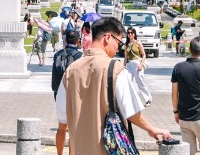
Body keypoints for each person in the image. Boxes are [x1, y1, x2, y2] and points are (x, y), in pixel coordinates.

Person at [55, 16, 172, 154]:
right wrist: (151, 129)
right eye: (118, 42)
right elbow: (131, 111)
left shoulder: (70, 71)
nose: (118, 49)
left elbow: (62, 118)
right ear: (107, 38)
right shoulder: (115, 69)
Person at [172, 36, 200, 155]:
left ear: (189, 49)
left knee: (189, 152)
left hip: (184, 117)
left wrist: (175, 112)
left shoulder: (178, 68)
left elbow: (174, 93)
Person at [52, 30, 83, 155]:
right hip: (73, 93)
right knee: (73, 130)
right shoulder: (80, 56)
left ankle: (59, 153)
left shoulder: (57, 54)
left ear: (65, 41)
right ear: (78, 41)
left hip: (59, 92)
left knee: (61, 126)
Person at [123, 27, 151, 105]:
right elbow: (125, 57)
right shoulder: (126, 45)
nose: (130, 34)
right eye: (128, 33)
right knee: (128, 82)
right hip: (129, 65)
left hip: (137, 64)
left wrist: (141, 65)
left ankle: (147, 99)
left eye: (131, 33)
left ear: (134, 34)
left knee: (140, 83)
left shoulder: (138, 43)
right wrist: (124, 66)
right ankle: (129, 100)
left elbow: (144, 55)